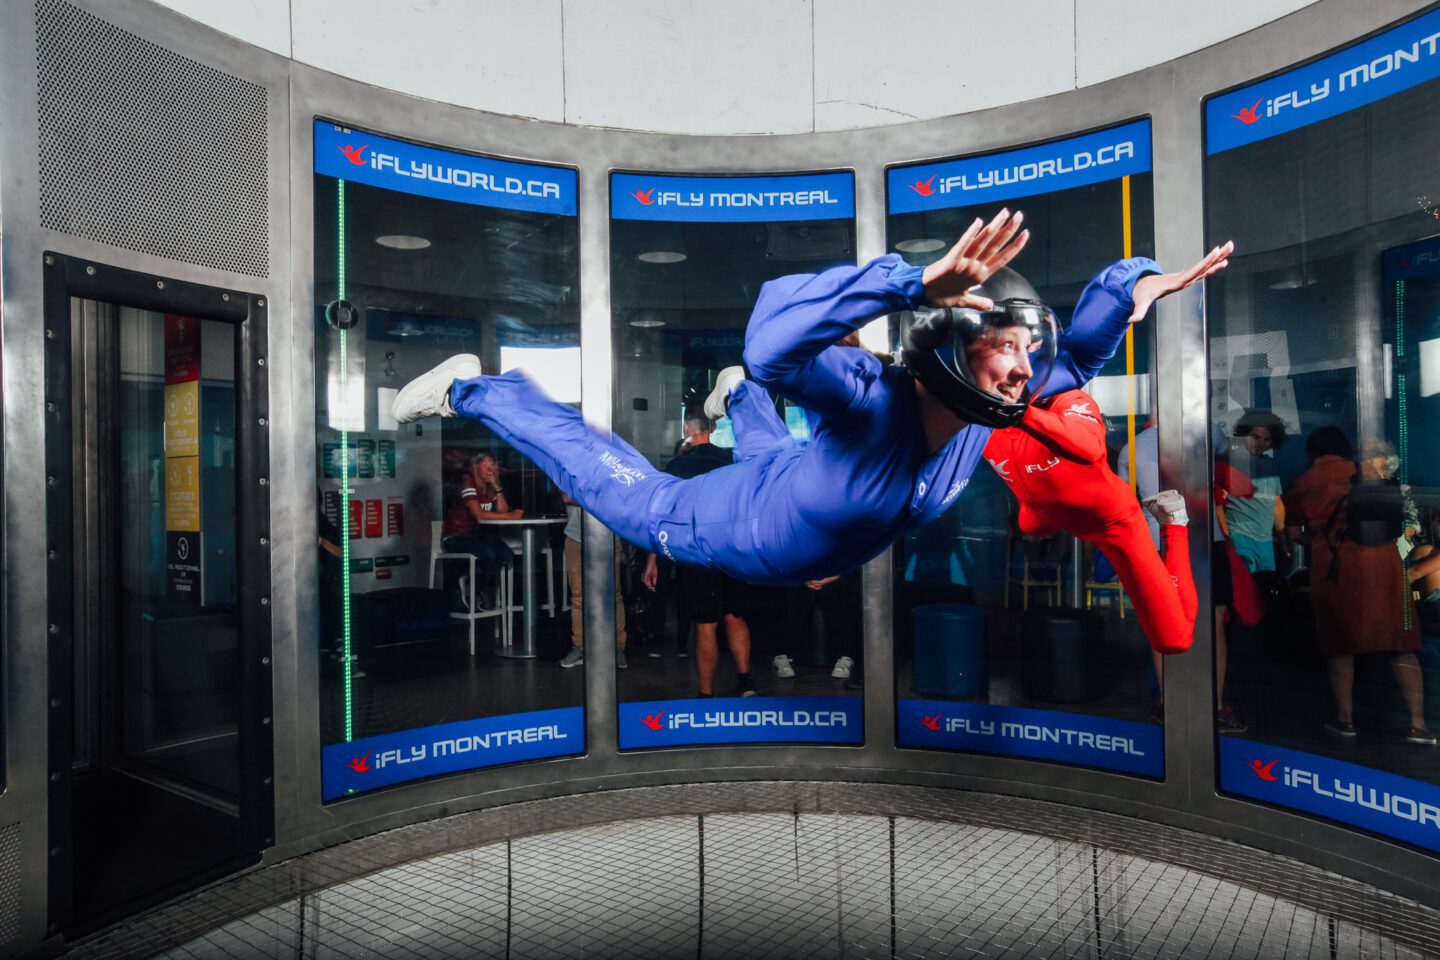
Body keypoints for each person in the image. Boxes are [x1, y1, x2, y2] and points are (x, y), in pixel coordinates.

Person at [393, 210, 1232, 587]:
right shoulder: (868, 397)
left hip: (797, 484)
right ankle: (481, 386)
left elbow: (1080, 354)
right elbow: (770, 335)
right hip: (732, 525)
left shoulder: (990, 407)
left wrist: (1136, 286)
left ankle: (743, 402)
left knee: (773, 442)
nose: (1024, 371)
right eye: (1004, 350)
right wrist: (908, 282)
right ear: (945, 350)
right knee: (625, 492)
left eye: (1025, 352)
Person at [982, 388, 1196, 655]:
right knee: (1030, 524)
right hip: (1047, 509)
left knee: (1173, 641)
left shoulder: (1070, 400)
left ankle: (1173, 522)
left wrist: (1023, 414)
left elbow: (1089, 448)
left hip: (1111, 521)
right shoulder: (984, 425)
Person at [1283, 427, 1436, 745]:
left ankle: (1346, 720)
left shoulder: (1303, 482)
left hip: (1337, 567)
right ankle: (1419, 725)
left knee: (1340, 644)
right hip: (1385, 562)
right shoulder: (1363, 470)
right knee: (1400, 642)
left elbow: (1295, 534)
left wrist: (1324, 539)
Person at [1119, 421, 1244, 731]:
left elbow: (1124, 502)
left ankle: (1168, 703)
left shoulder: (1133, 447)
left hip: (1159, 543)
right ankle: (1213, 707)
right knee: (1212, 624)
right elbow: (1223, 447)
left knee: (1163, 624)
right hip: (1202, 539)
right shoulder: (1207, 431)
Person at [641, 407, 755, 697]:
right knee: (735, 615)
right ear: (712, 428)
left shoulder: (676, 467)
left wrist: (652, 559)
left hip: (697, 550)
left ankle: (706, 694)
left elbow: (663, 515)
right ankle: (745, 680)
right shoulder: (731, 460)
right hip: (731, 547)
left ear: (684, 428)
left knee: (705, 623)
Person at [558, 493, 628, 669]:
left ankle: (618, 647)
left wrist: (586, 497)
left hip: (609, 534)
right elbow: (566, 496)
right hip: (576, 535)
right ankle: (580, 647)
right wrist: (599, 498)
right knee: (578, 595)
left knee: (613, 594)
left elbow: (618, 497)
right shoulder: (573, 466)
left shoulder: (611, 466)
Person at [440, 452, 518, 610]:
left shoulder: (489, 487)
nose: (491, 469)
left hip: (477, 537)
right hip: (456, 537)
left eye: (493, 465)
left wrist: (497, 487)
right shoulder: (468, 483)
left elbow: (502, 511)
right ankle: (478, 588)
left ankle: (473, 583)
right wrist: (511, 515)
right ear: (476, 466)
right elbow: (479, 515)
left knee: (506, 554)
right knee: (488, 553)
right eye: (487, 465)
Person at [1221, 410, 1288, 573]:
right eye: (1255, 437)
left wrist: (1283, 540)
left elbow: (1276, 505)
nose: (1260, 443)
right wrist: (1227, 538)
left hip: (1265, 540)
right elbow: (1218, 504)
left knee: (1265, 589)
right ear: (1244, 435)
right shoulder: (1231, 462)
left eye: (1267, 439)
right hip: (1239, 537)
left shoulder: (1270, 465)